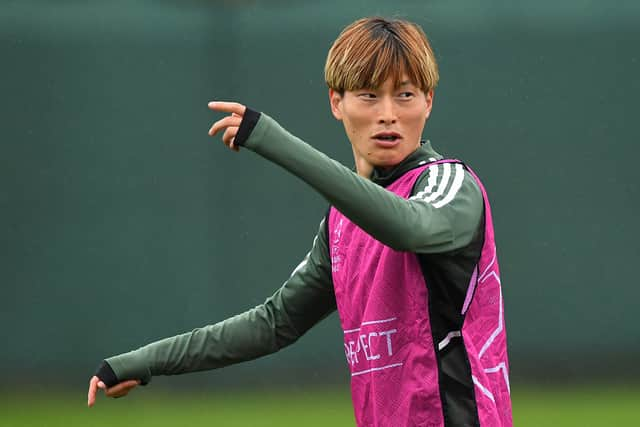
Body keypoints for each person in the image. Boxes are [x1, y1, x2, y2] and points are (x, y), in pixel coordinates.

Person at [87, 17, 512, 426]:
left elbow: (407, 228)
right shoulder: (341, 226)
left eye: (405, 95)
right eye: (368, 95)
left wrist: (271, 138)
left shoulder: (450, 183)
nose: (388, 113)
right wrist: (144, 361)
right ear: (336, 102)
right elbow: (272, 324)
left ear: (428, 102)